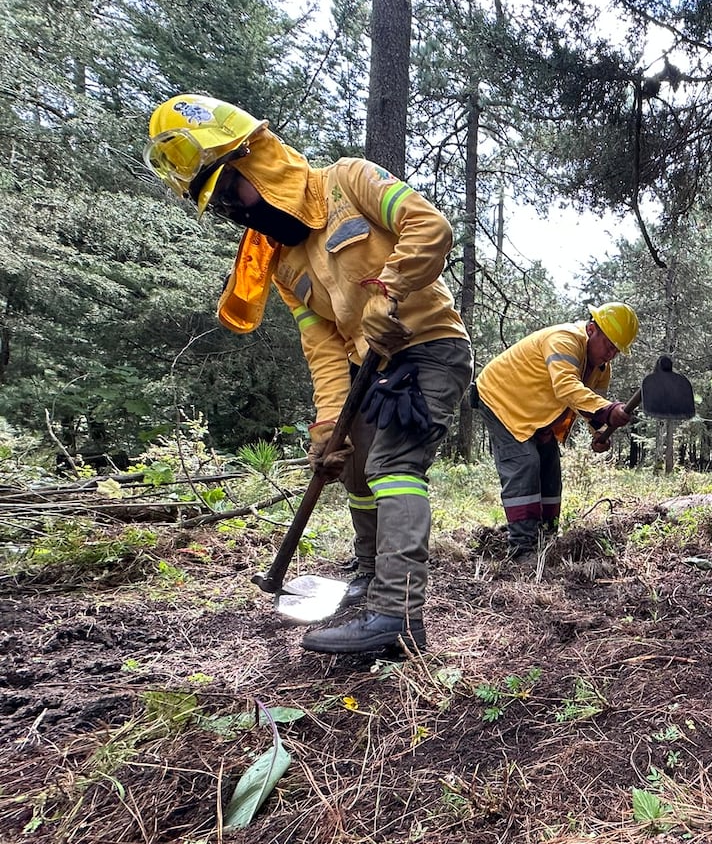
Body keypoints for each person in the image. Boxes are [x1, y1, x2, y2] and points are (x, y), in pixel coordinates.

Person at [144, 94, 473, 654]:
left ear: (258, 159)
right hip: (367, 367)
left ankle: (399, 619)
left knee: (393, 464)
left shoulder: (349, 180)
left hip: (429, 346)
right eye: (220, 205)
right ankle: (369, 577)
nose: (235, 210)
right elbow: (322, 345)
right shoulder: (281, 262)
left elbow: (430, 227)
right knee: (356, 470)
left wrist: (388, 293)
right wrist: (328, 426)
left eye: (230, 191)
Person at [474, 304, 639, 562]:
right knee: (524, 463)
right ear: (592, 329)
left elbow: (590, 403)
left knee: (550, 464)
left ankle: (547, 538)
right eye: (609, 345)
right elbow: (566, 387)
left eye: (617, 350)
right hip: (499, 398)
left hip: (533, 412)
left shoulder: (601, 368)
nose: (611, 354)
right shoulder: (563, 340)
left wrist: (600, 430)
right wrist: (608, 411)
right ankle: (523, 550)